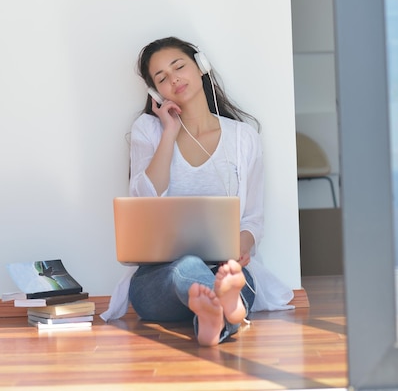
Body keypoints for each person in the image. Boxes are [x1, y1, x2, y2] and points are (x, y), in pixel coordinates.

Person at [101, 36, 294, 345]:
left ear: (201, 67)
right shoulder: (148, 131)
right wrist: (169, 134)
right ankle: (228, 309)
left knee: (232, 281)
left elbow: (252, 222)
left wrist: (236, 255)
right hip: (158, 279)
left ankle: (213, 320)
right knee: (187, 268)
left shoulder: (243, 138)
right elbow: (144, 202)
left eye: (179, 66)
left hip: (224, 270)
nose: (174, 78)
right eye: (162, 78)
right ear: (155, 92)